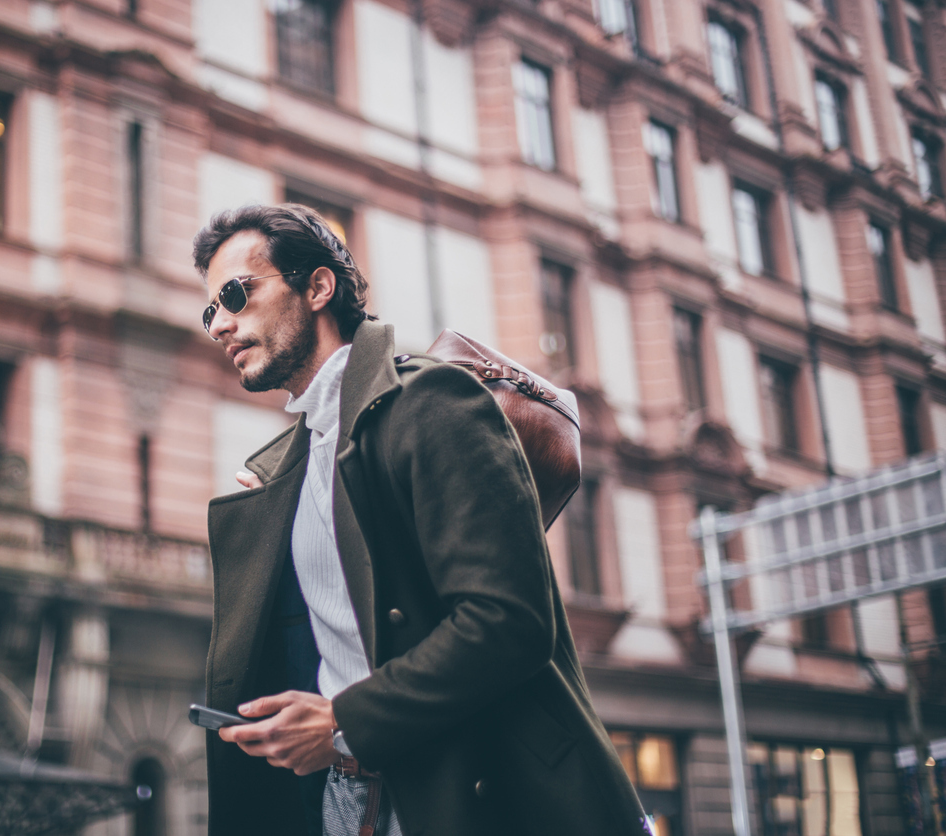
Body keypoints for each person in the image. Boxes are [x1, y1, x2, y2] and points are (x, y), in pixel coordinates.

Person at [193, 203, 650, 836]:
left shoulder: (433, 402)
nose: (219, 324)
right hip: (348, 797)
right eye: (210, 309)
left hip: (473, 792)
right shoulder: (288, 467)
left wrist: (342, 722)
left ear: (319, 286)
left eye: (236, 295)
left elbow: (509, 623)